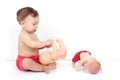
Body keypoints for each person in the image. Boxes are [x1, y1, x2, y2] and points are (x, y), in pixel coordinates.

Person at [16, 7, 56, 74]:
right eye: (34, 24)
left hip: (36, 58)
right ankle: (42, 68)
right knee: (27, 62)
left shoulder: (33, 34)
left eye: (37, 23)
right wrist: (45, 43)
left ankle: (43, 65)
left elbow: (37, 45)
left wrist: (45, 46)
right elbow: (33, 44)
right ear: (23, 24)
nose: (36, 26)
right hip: (23, 59)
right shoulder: (23, 35)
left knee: (44, 57)